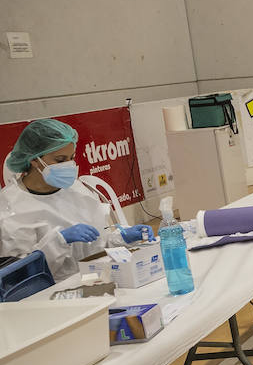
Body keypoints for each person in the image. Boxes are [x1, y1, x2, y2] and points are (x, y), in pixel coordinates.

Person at [1, 118, 153, 279]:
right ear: (34, 160)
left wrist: (122, 238)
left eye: (71, 157)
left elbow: (98, 245)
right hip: (48, 294)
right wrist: (59, 241)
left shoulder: (77, 190)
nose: (68, 165)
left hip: (95, 280)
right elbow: (19, 275)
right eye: (60, 160)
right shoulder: (10, 206)